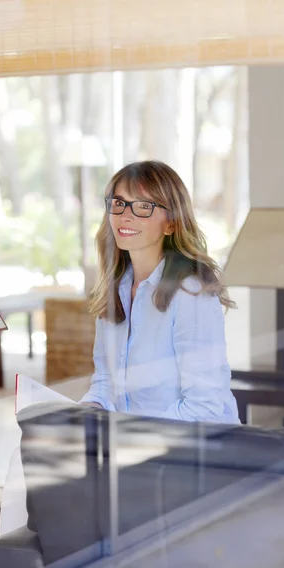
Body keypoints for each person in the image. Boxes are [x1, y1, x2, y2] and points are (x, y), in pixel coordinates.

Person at [80, 160, 239, 424]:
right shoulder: (115, 289)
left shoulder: (191, 293)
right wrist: (84, 410)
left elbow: (204, 408)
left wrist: (134, 435)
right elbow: (106, 383)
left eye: (144, 206)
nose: (125, 215)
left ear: (171, 224)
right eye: (119, 203)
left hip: (195, 452)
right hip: (138, 449)